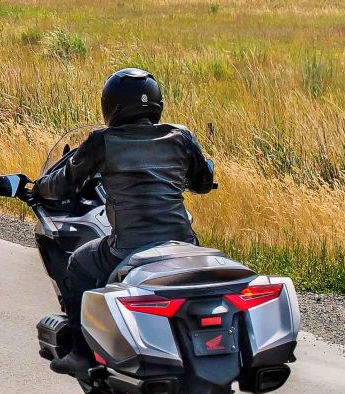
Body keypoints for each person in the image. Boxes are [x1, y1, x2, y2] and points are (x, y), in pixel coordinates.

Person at [38, 68, 214, 376]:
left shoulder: (104, 141)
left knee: (80, 262)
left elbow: (65, 182)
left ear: (112, 106)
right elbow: (202, 182)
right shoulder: (180, 136)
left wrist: (40, 187)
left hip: (128, 248)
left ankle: (81, 352)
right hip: (182, 244)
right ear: (156, 103)